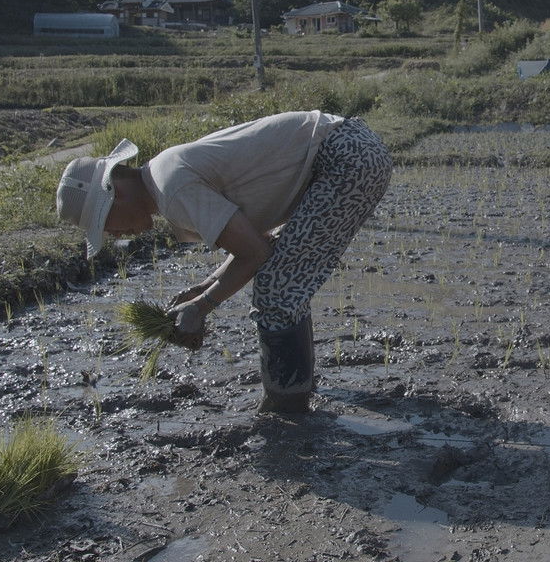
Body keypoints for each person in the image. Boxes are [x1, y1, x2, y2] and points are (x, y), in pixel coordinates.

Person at [55, 111, 392, 413]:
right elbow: (254, 241)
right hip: (347, 150)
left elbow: (256, 255)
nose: (114, 234)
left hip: (346, 158)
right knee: (282, 282)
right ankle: (293, 389)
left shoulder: (171, 189)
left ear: (116, 191)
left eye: (105, 223)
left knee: (277, 288)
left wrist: (202, 307)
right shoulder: (163, 176)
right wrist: (204, 286)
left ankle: (287, 404)